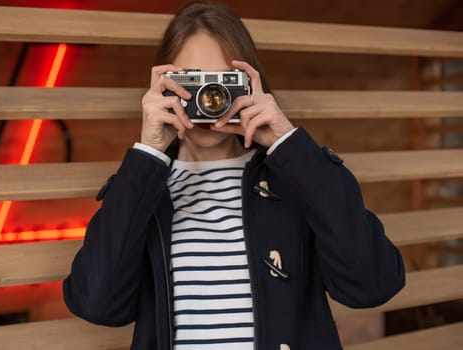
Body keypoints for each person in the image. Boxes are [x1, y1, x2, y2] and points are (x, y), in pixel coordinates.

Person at [63, 2, 405, 349]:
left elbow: (373, 285)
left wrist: (289, 144)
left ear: (250, 85)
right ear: (163, 87)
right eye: (191, 82)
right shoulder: (146, 187)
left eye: (223, 83)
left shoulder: (294, 176)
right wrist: (147, 154)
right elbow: (96, 303)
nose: (209, 99)